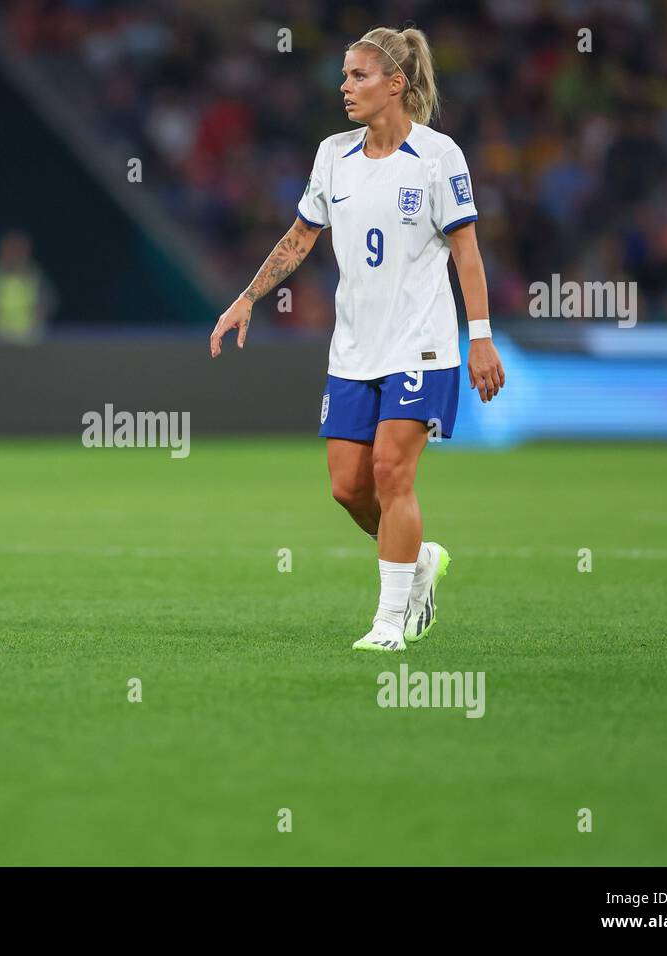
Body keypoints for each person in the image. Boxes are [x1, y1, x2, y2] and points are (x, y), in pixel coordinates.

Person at [209, 25, 505, 652]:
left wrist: (479, 336)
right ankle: (418, 560)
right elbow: (299, 237)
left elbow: (467, 252)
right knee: (348, 485)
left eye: (359, 76)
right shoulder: (332, 155)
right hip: (353, 348)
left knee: (392, 470)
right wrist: (246, 298)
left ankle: (390, 622)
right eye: (344, 76)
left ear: (396, 83)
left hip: (421, 344)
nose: (344, 87)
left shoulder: (438, 157)